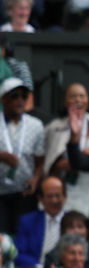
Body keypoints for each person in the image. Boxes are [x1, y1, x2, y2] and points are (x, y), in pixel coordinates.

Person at [43, 83, 89, 216]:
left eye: (82, 96)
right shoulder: (54, 128)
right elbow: (47, 161)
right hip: (65, 187)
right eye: (73, 96)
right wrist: (61, 164)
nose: (78, 100)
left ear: (88, 100)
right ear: (65, 102)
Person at [0, 78, 43, 234]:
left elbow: (40, 161)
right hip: (0, 194)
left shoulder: (36, 125)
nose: (20, 100)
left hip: (24, 194)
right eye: (14, 95)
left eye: (24, 96)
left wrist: (36, 179)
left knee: (23, 235)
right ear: (3, 99)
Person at [14, 176, 68, 268]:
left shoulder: (73, 223)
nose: (54, 200)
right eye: (49, 196)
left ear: (65, 197)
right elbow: (18, 253)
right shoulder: (28, 221)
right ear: (40, 198)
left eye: (57, 195)